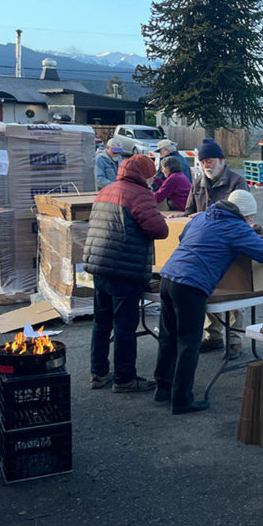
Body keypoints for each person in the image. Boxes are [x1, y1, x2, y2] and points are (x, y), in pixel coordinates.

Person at [154, 190, 263, 415]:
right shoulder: (237, 228)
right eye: (250, 217)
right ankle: (182, 400)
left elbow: (183, 238)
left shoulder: (203, 216)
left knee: (168, 337)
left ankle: (163, 389)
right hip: (191, 285)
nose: (251, 221)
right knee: (188, 343)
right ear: (243, 215)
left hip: (168, 277)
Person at [84, 154, 169, 393]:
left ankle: (98, 373)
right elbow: (159, 230)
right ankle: (124, 378)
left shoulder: (107, 190)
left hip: (99, 264)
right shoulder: (140, 194)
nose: (153, 180)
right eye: (152, 175)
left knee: (101, 323)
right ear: (144, 175)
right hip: (124, 268)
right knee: (124, 325)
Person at [183, 138, 251, 355]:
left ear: (221, 160)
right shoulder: (197, 183)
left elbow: (244, 216)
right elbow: (189, 211)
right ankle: (213, 335)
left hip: (230, 247)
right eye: (203, 162)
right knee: (208, 293)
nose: (206, 165)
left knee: (233, 294)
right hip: (206, 250)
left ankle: (235, 339)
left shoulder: (237, 183)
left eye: (210, 160)